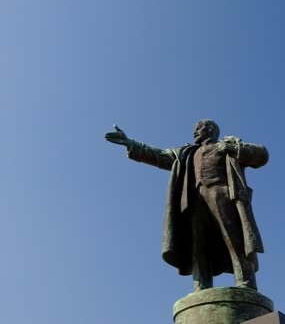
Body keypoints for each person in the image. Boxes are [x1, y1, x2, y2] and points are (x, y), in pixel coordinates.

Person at [105, 119, 269, 291]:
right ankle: (202, 286)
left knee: (234, 237)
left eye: (199, 128)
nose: (195, 132)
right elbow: (159, 155)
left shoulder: (228, 144)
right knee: (198, 243)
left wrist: (235, 149)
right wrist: (130, 143)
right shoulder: (187, 152)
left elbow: (262, 155)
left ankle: (246, 282)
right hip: (194, 199)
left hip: (222, 192)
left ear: (211, 129)